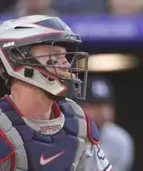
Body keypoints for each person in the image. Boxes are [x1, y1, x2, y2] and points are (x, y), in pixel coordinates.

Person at [0, 15, 112, 171]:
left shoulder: (78, 122)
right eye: (54, 57)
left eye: (64, 57)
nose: (66, 64)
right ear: (17, 61)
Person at [78, 76, 134, 171]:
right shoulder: (63, 135)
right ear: (79, 107)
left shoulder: (119, 140)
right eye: (95, 106)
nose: (103, 112)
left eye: (106, 105)